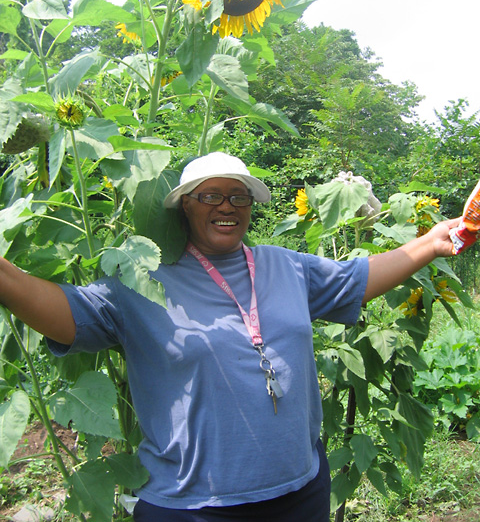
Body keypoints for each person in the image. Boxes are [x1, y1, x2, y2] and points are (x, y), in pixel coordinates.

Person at [0, 152, 463, 522]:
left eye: (239, 197)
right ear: (185, 204)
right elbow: (64, 313)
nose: (227, 206)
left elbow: (357, 279)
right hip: (194, 506)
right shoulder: (143, 281)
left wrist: (432, 243)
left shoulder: (286, 266)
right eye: (210, 196)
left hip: (300, 491)